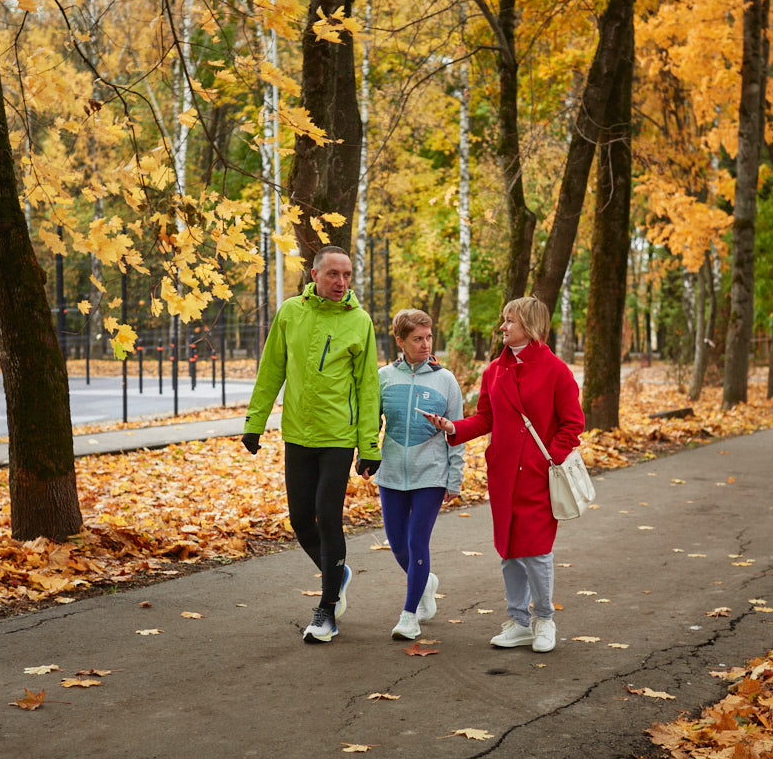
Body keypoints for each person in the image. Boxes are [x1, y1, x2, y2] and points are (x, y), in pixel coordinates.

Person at [422, 297, 583, 653]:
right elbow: (486, 418)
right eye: (504, 320)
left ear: (530, 325)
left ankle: (544, 619)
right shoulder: (494, 370)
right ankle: (518, 622)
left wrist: (549, 461)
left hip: (540, 476)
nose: (503, 327)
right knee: (509, 550)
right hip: (504, 473)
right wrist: (453, 427)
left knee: (536, 551)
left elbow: (573, 424)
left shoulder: (556, 371)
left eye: (510, 321)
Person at [241, 245, 381, 644]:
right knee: (300, 520)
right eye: (334, 274)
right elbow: (271, 370)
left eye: (347, 275)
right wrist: (255, 422)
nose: (341, 282)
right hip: (298, 434)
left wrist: (369, 446)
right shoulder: (290, 313)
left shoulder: (359, 321)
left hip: (338, 437)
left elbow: (367, 387)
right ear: (314, 275)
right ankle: (336, 572)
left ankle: (326, 610)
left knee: (328, 516)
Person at [375, 309, 465, 641]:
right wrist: (365, 456)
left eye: (429, 337)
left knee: (416, 542)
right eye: (417, 339)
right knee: (398, 545)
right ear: (400, 341)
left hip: (431, 473)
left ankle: (409, 615)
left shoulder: (446, 380)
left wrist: (454, 478)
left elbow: (457, 433)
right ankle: (426, 582)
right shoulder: (383, 377)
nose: (426, 344)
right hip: (391, 473)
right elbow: (371, 424)